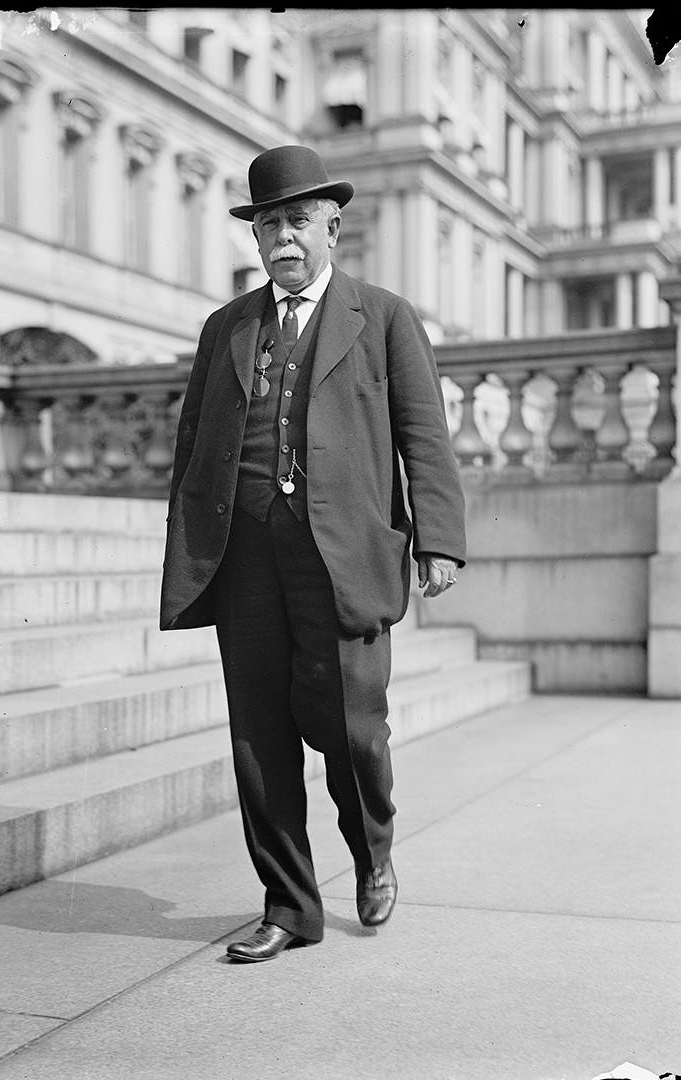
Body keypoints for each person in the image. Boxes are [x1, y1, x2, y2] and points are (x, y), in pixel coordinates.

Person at [160, 145, 466, 962]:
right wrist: (190, 550)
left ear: (333, 226)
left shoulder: (386, 316)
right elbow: (195, 444)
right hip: (245, 556)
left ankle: (372, 851)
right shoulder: (225, 328)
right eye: (268, 224)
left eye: (298, 221)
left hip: (344, 554)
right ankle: (290, 903)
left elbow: (423, 437)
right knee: (259, 736)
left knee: (352, 726)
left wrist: (437, 538)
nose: (283, 239)